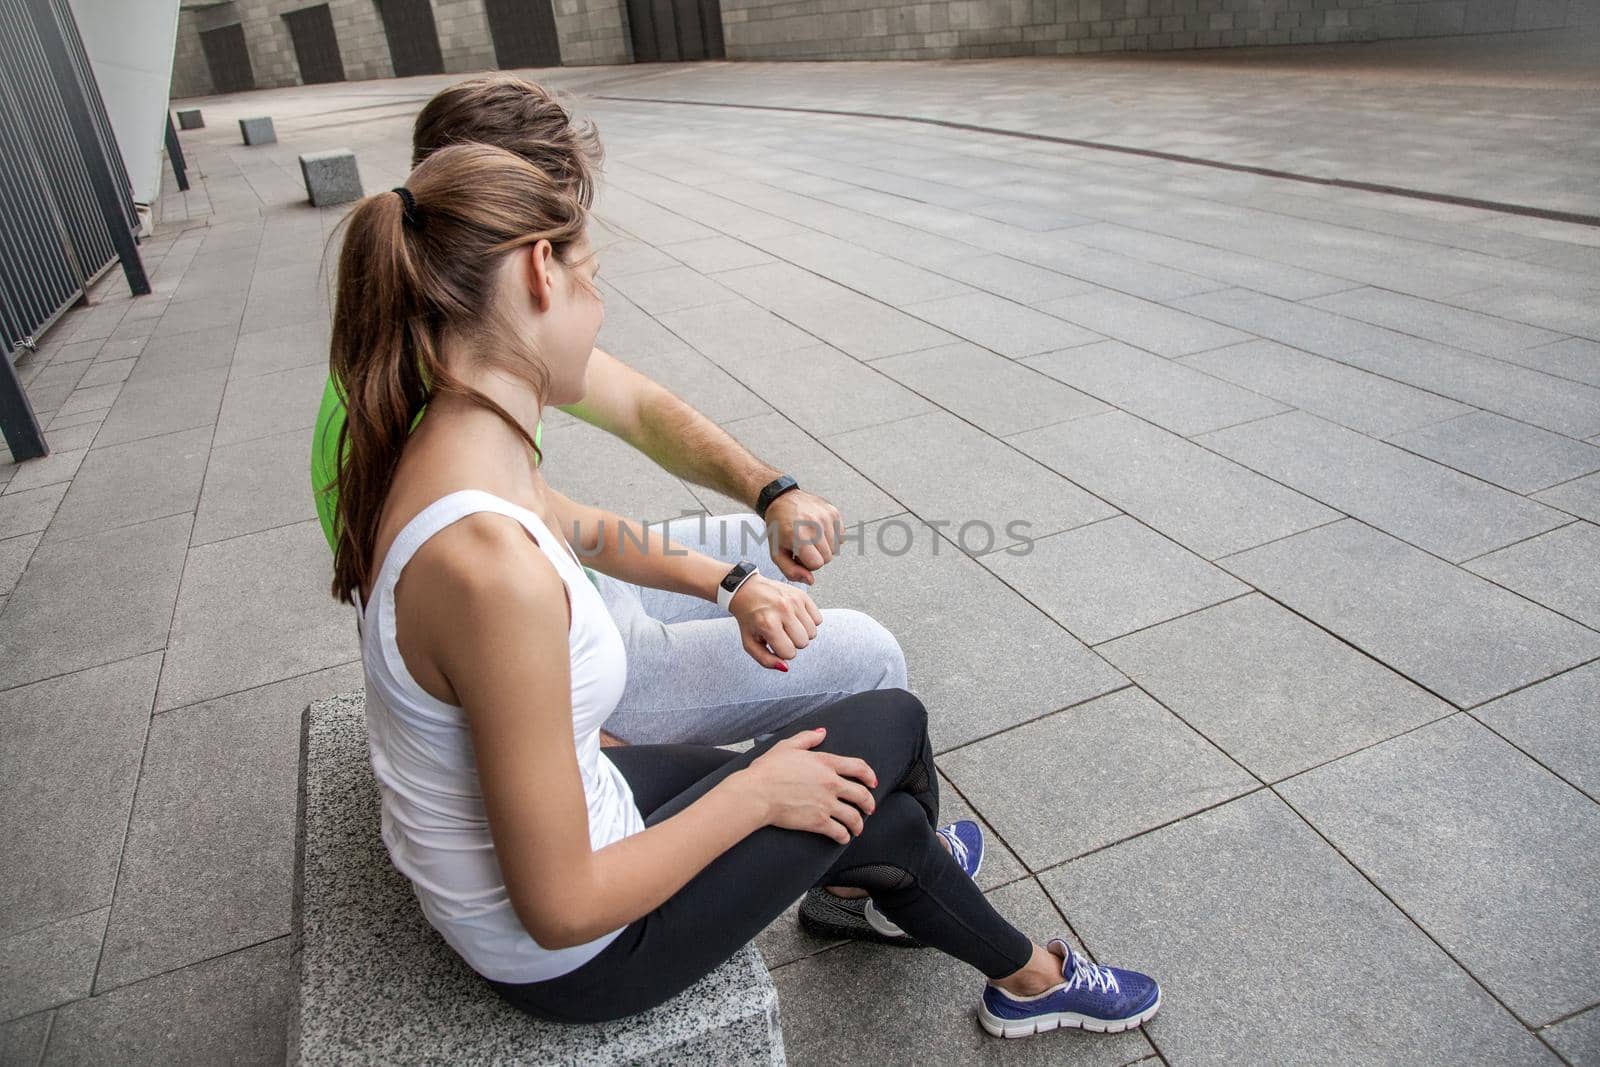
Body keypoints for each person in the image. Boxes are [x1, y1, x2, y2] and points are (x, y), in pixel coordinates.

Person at [327, 140, 1161, 1038]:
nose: (600, 309)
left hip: (565, 828)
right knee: (892, 722)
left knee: (856, 804)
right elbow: (562, 906)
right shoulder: (488, 569)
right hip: (582, 954)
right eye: (592, 277)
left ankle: (902, 884)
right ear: (539, 271)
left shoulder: (452, 444)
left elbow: (586, 526)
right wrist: (754, 794)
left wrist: (733, 585)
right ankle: (1004, 958)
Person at [308, 74, 908, 944]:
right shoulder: (445, 497)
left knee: (754, 545)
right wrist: (670, 773)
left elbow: (626, 426)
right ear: (524, 257)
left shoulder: (448, 347)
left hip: (566, 604)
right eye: (570, 245)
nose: (590, 290)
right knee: (871, 659)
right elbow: (478, 692)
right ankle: (856, 875)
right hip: (549, 661)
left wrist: (762, 511)